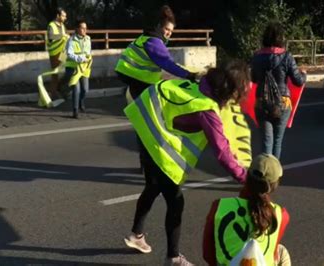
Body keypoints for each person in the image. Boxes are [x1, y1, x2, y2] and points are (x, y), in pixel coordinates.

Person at [123, 60, 250, 266]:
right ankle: (173, 258)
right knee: (175, 201)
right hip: (154, 137)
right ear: (229, 91)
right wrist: (245, 177)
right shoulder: (206, 109)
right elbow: (221, 151)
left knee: (153, 186)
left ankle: (136, 235)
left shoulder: (201, 86)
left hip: (144, 124)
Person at [115, 4, 199, 172]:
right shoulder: (154, 41)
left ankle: (146, 164)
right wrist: (189, 75)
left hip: (135, 85)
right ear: (160, 27)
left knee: (144, 126)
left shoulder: (146, 37)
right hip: (138, 86)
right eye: (167, 29)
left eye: (171, 31)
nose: (168, 33)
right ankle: (150, 164)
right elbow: (167, 63)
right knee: (152, 126)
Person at [203, 153, 291, 266]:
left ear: (248, 176)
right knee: (281, 251)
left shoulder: (219, 206)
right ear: (274, 185)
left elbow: (207, 255)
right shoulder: (280, 215)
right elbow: (272, 254)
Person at [251, 21, 307, 160]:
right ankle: (274, 175)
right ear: (280, 38)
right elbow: (298, 81)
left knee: (266, 142)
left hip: (261, 103)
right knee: (277, 141)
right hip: (282, 103)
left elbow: (253, 79)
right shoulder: (287, 57)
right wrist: (304, 74)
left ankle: (263, 174)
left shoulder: (257, 56)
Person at [63, 19, 92, 119]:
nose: (84, 30)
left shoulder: (88, 39)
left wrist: (88, 58)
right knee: (77, 89)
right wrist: (79, 58)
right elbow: (69, 54)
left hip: (83, 68)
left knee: (85, 89)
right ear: (77, 29)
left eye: (85, 28)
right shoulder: (71, 40)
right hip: (73, 67)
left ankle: (81, 102)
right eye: (82, 28)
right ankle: (75, 110)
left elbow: (88, 52)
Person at [46, 7, 69, 99]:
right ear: (58, 15)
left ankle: (59, 88)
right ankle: (53, 94)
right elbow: (51, 36)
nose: (65, 18)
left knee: (69, 70)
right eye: (63, 16)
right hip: (54, 53)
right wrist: (62, 36)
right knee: (55, 74)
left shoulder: (63, 26)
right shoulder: (51, 25)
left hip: (63, 52)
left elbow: (66, 35)